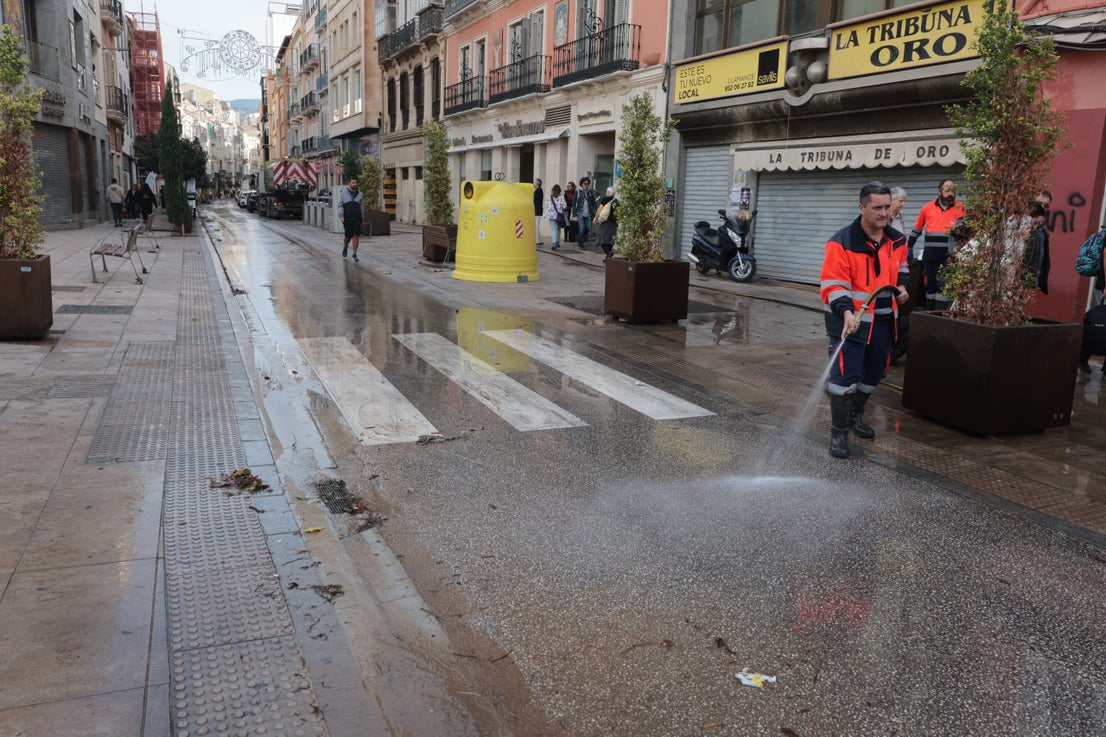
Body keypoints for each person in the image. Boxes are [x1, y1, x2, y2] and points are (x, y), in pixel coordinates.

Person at [820, 181, 910, 459]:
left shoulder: (897, 240)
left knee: (874, 373)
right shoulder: (841, 243)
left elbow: (902, 268)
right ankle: (839, 435)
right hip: (851, 322)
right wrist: (847, 312)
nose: (885, 213)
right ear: (861, 208)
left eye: (887, 207)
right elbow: (833, 285)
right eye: (877, 208)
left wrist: (904, 287)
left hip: (884, 321)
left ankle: (855, 416)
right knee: (844, 376)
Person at [908, 179, 965, 311]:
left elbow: (965, 231)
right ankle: (929, 315)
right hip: (930, 255)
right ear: (939, 192)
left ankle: (939, 317)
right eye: (947, 191)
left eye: (953, 191)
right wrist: (909, 246)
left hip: (949, 256)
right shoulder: (927, 208)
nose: (950, 194)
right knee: (930, 287)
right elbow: (917, 229)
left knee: (944, 288)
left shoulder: (960, 208)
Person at [338, 177, 364, 261]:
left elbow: (362, 207)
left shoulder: (360, 194)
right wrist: (341, 216)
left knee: (356, 235)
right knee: (347, 237)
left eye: (356, 182)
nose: (355, 184)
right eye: (353, 182)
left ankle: (354, 254)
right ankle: (345, 246)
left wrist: (362, 217)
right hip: (347, 218)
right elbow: (340, 205)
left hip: (357, 218)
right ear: (349, 183)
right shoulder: (343, 193)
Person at [572, 176, 598, 249]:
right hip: (580, 213)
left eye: (587, 184)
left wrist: (597, 210)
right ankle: (581, 244)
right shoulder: (577, 192)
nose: (586, 185)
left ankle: (581, 237)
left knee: (588, 228)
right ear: (581, 184)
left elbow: (593, 202)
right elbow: (574, 204)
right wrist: (574, 215)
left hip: (588, 214)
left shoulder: (590, 192)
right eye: (585, 184)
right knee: (581, 229)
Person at [594, 187, 619, 260]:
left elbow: (600, 209)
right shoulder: (616, 201)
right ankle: (608, 256)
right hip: (614, 223)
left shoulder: (606, 199)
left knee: (601, 239)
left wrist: (596, 218)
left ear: (608, 193)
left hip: (606, 223)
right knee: (610, 240)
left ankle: (608, 253)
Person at [544, 184, 567, 250]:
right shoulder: (561, 197)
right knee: (558, 229)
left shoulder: (549, 198)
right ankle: (557, 242)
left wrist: (545, 215)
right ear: (560, 191)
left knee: (554, 229)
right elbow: (565, 206)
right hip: (559, 216)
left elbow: (548, 207)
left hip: (551, 216)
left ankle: (554, 243)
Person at [533, 178, 544, 246]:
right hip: (537, 210)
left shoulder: (538, 190)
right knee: (536, 226)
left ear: (537, 184)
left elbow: (533, 198)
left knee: (536, 227)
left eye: (534, 183)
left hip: (537, 211)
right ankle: (539, 241)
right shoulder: (538, 190)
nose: (533, 184)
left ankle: (537, 242)